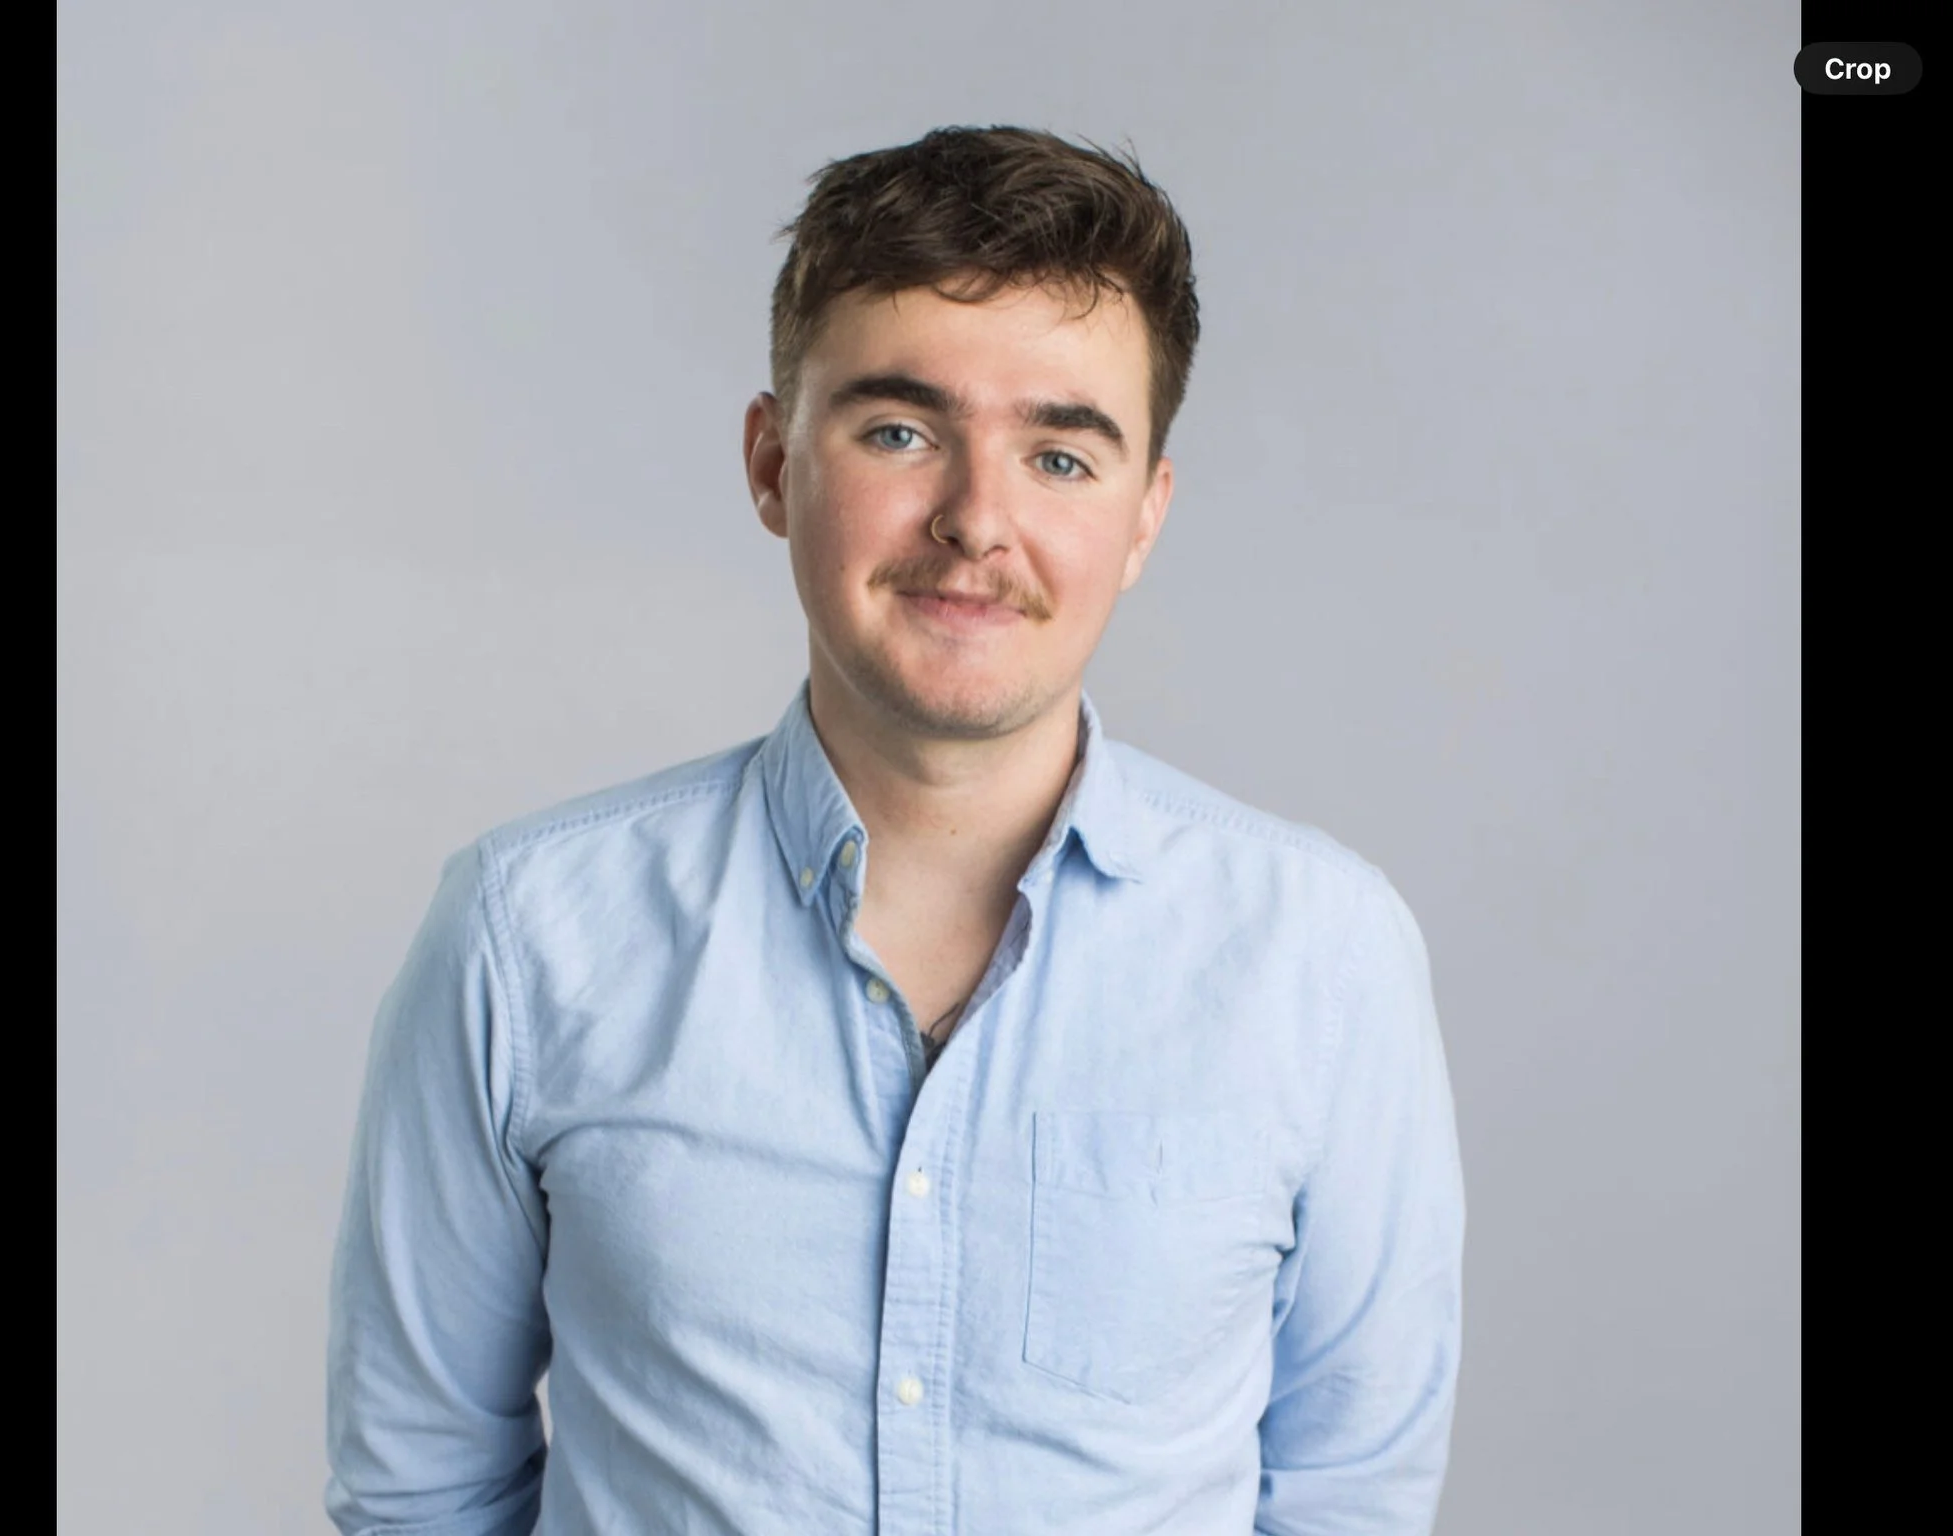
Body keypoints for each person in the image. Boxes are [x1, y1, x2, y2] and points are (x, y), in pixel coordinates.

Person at [326, 124, 1465, 1536]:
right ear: (770, 464)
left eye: (1061, 455)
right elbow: (419, 1492)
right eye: (900, 432)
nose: (977, 519)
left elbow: (1352, 1500)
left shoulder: (1322, 956)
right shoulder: (525, 932)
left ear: (1146, 516)